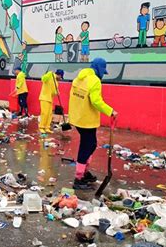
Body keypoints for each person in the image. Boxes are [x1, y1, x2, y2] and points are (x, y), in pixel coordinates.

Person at [68, 58, 118, 189]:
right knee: (87, 146)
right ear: (99, 69)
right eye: (103, 71)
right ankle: (79, 177)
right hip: (86, 120)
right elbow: (96, 101)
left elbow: (73, 97)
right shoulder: (94, 80)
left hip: (77, 118)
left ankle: (83, 171)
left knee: (90, 144)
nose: (103, 75)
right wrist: (110, 111)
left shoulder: (78, 78)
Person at [39, 69, 64, 134]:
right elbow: (43, 79)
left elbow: (53, 92)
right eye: (61, 77)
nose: (60, 79)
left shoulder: (56, 82)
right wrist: (49, 73)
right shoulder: (50, 75)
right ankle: (41, 127)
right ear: (59, 75)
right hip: (44, 98)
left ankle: (47, 127)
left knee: (49, 114)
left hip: (50, 99)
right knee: (45, 113)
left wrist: (57, 92)